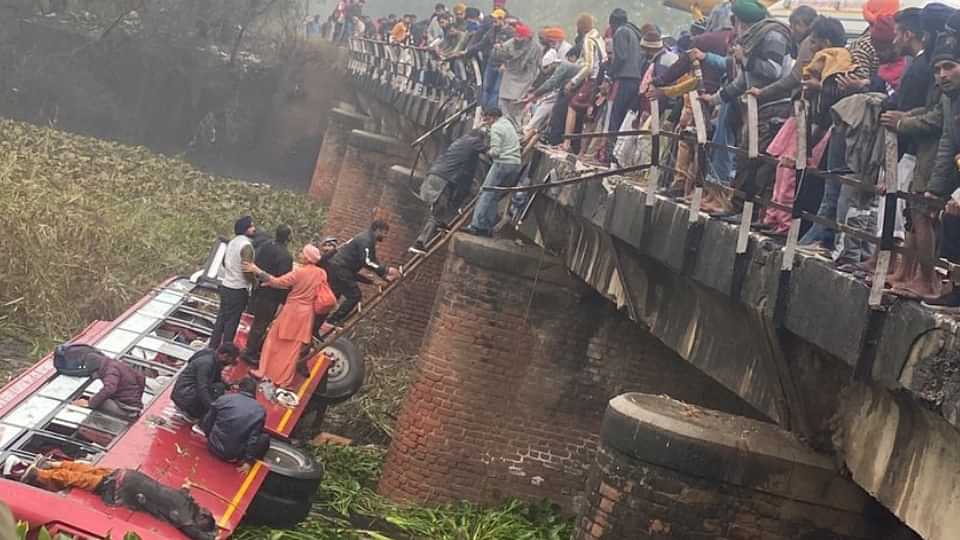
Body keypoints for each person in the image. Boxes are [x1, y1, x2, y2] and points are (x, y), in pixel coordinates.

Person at [879, 6, 947, 298]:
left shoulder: (926, 66)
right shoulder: (930, 64)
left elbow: (938, 118)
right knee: (913, 213)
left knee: (920, 214)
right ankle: (910, 273)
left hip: (924, 151)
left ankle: (925, 278)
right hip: (925, 149)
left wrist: (904, 121)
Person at [707, 0, 792, 213]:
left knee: (755, 160)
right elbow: (743, 81)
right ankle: (737, 207)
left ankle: (744, 211)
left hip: (772, 106)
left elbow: (772, 70)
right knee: (746, 156)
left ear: (741, 21)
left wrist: (743, 58)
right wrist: (715, 99)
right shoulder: (754, 37)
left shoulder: (772, 35)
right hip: (756, 106)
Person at [8, 456, 217, 540]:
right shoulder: (183, 515)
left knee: (89, 470)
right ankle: (38, 474)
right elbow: (193, 532)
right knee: (80, 480)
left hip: (129, 475)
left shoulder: (185, 500)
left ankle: (53, 464)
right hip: (125, 488)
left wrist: (187, 486)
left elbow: (184, 492)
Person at [243, 245, 331, 389]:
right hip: (306, 314)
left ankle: (263, 371)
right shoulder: (322, 273)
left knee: (273, 340)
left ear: (307, 258)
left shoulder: (299, 273)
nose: (300, 254)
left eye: (302, 253)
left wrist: (256, 270)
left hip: (292, 311)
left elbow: (278, 282)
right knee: (292, 349)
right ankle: (282, 379)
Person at [413, 129, 490, 252]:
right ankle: (420, 242)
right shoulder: (473, 141)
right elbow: (491, 152)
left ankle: (442, 223)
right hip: (441, 181)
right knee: (438, 213)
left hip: (434, 176)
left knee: (441, 210)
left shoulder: (459, 141)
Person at [322, 220, 400, 326]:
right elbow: (367, 261)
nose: (385, 236)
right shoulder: (366, 241)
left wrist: (383, 276)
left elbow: (372, 260)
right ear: (377, 230)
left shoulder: (367, 239)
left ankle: (320, 322)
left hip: (339, 268)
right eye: (385, 233)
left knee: (332, 297)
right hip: (340, 269)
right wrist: (386, 270)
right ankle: (333, 320)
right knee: (354, 295)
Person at [465, 108, 522, 237]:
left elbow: (495, 152)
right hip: (515, 164)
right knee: (494, 196)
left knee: (486, 192)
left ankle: (475, 225)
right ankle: (487, 227)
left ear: (492, 117)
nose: (486, 121)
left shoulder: (496, 127)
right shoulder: (507, 123)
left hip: (503, 163)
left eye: (487, 119)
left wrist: (485, 151)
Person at [243, 225, 293, 364]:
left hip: (258, 290)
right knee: (261, 324)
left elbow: (255, 263)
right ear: (288, 237)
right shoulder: (286, 256)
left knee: (256, 322)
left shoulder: (266, 246)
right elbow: (284, 281)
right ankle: (250, 352)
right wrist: (283, 301)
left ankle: (250, 348)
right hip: (272, 295)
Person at [199, 378, 270, 471]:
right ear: (254, 392)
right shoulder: (260, 411)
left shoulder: (224, 399)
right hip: (234, 455)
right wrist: (248, 462)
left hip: (212, 446)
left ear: (239, 388)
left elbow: (207, 422)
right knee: (265, 438)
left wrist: (209, 436)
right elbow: (253, 439)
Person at [209, 216, 255, 350]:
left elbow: (224, 262)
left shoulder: (232, 242)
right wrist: (254, 282)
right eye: (251, 226)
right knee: (232, 321)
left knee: (221, 318)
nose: (254, 229)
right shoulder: (246, 246)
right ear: (245, 229)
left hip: (226, 285)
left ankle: (213, 346)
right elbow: (247, 269)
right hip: (238, 288)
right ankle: (226, 350)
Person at [607, 9, 645, 154]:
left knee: (615, 116)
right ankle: (616, 154)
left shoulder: (620, 32)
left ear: (613, 23)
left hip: (624, 79)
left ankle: (610, 154)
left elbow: (621, 57)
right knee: (623, 117)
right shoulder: (634, 33)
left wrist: (610, 73)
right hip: (635, 79)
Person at [172, 343, 240, 421]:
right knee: (218, 388)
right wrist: (212, 408)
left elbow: (216, 377)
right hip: (185, 396)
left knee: (219, 386)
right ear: (224, 356)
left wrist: (229, 385)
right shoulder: (207, 364)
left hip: (184, 392)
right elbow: (202, 388)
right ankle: (193, 413)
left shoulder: (213, 358)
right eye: (232, 359)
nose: (232, 362)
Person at [493, 23, 541, 128]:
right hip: (510, 76)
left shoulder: (536, 48)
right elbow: (498, 56)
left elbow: (539, 65)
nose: (518, 40)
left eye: (521, 37)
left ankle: (516, 127)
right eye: (517, 37)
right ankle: (506, 124)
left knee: (518, 106)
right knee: (503, 102)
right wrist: (498, 49)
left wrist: (536, 82)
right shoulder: (509, 44)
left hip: (526, 78)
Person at [73, 356, 145, 420]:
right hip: (134, 406)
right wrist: (137, 398)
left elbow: (109, 389)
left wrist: (90, 403)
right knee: (97, 397)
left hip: (126, 409)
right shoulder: (117, 364)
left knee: (98, 402)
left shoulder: (110, 370)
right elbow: (141, 377)